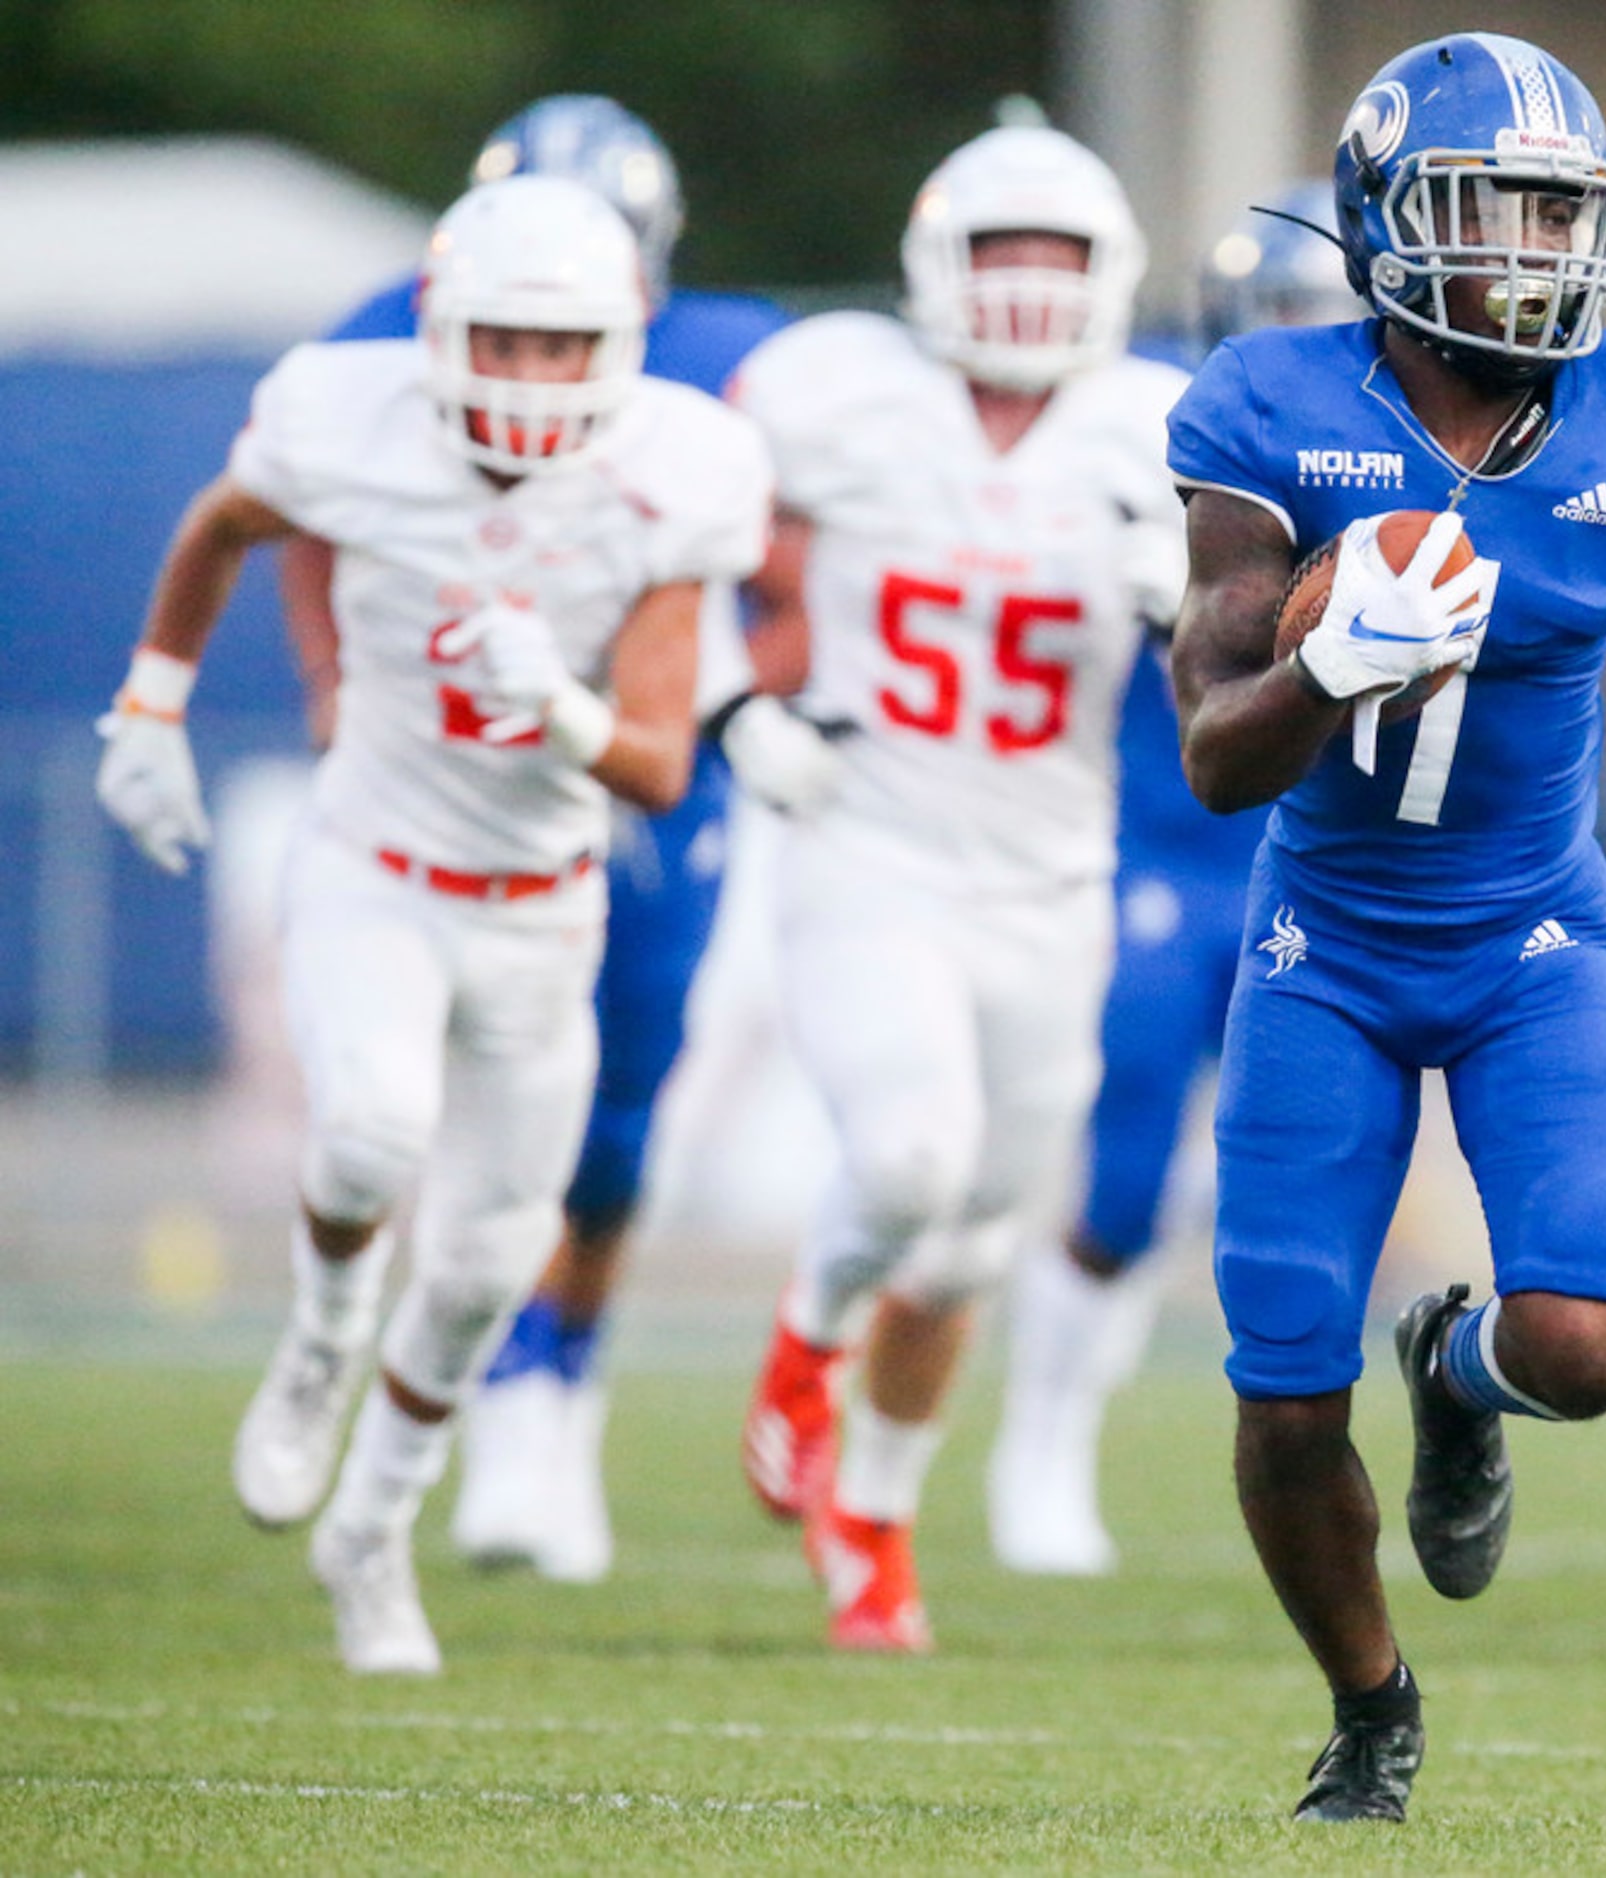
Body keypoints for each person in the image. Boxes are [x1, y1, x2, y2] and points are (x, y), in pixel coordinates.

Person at [95, 174, 774, 1673]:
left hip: (544, 907)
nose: (529, 376)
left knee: (480, 1266)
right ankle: (324, 1335)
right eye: (502, 339)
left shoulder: (675, 469)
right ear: (438, 330)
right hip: (377, 865)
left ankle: (372, 1533)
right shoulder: (350, 420)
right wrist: (153, 702)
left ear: (626, 341)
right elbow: (226, 521)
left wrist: (559, 704)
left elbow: (659, 763)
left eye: (561, 343)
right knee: (368, 1135)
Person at [1167, 33, 1606, 1823]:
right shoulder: (1266, 405)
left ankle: (1457, 1364)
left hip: (1529, 940)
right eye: (1494, 216)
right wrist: (1328, 666)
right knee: (1277, 1396)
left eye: (1560, 218)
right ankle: (1371, 1704)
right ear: (1387, 225)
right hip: (1321, 945)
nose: (1536, 257)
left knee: (1589, 1345)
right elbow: (1208, 757)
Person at [281, 96, 827, 1587]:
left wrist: (748, 688)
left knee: (615, 1110)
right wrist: (338, 682)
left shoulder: (732, 365)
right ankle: (458, 1371)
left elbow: (804, 561)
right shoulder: (381, 345)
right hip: (445, 768)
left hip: (641, 765)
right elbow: (293, 510)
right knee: (430, 1084)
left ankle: (551, 1379)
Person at [728, 119, 1188, 1650]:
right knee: (914, 1159)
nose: (1027, 287)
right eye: (1001, 252)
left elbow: (1263, 652)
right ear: (937, 262)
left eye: (1057, 257)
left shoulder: (1159, 425)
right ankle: (803, 1347)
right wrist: (740, 710)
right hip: (870, 842)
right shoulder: (833, 392)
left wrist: (1200, 604)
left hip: (1051, 878)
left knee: (976, 1235)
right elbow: (676, 551)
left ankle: (873, 1512)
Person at [986, 180, 1364, 1578]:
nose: (1306, 350)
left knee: (1304, 1208)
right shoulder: (1153, 432)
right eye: (1278, 320)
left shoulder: (1424, 451)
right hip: (1155, 847)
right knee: (1125, 1169)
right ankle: (1043, 1443)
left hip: (1318, 871)